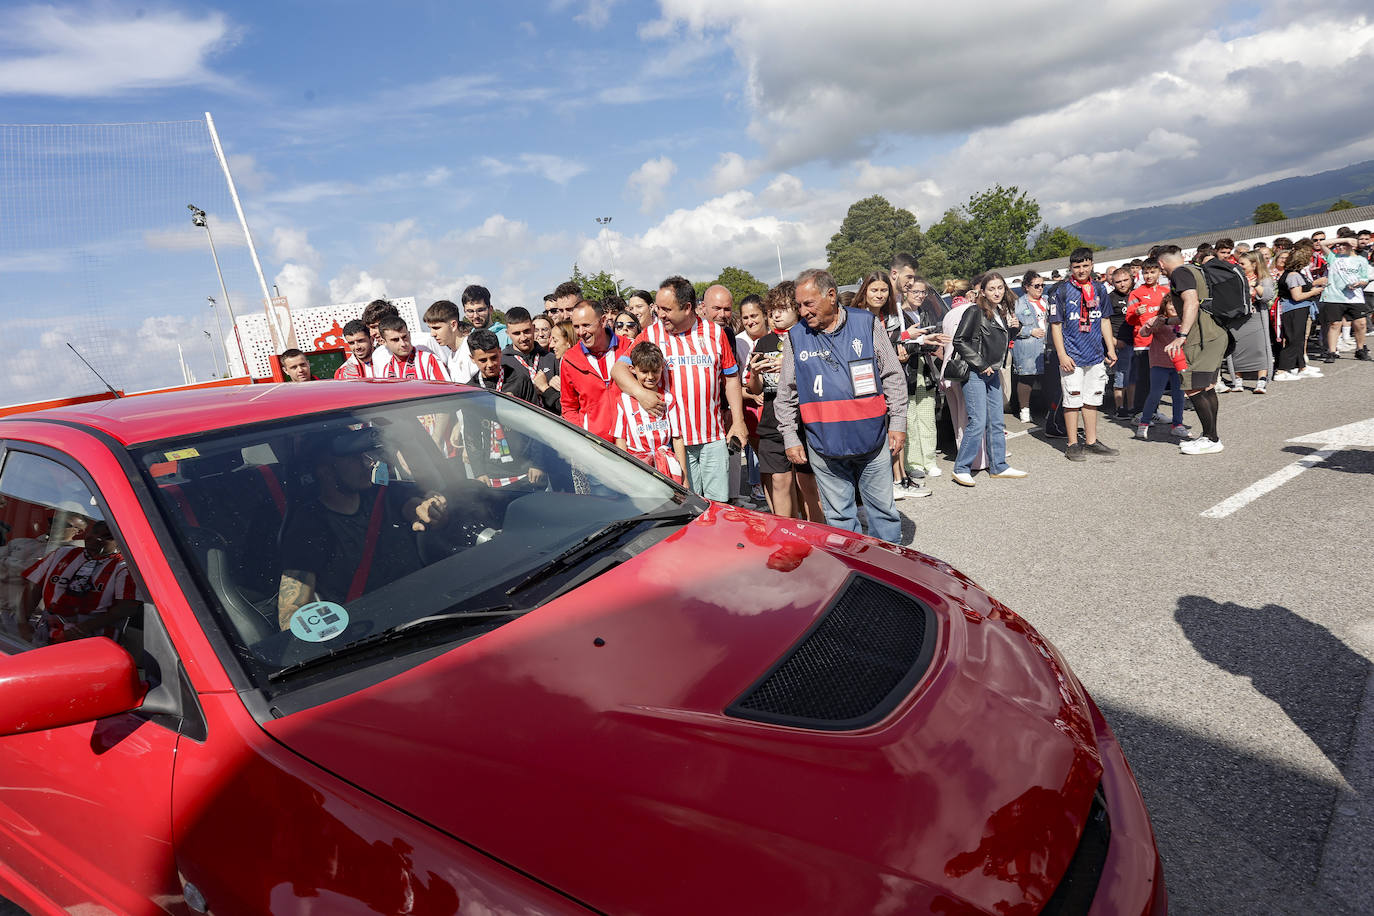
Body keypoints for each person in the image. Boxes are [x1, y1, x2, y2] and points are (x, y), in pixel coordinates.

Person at [774, 269, 906, 544]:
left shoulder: (866, 324)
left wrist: (898, 423)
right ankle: (857, 576)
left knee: (884, 514)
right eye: (798, 305)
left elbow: (893, 375)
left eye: (808, 303)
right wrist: (790, 437)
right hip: (825, 446)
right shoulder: (795, 337)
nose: (802, 311)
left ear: (831, 296)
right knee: (841, 520)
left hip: (872, 440)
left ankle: (892, 572)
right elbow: (786, 393)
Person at [277, 429, 452, 628]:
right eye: (352, 459)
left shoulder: (385, 494)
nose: (366, 463)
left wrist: (431, 511)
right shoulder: (310, 525)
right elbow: (292, 614)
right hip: (371, 635)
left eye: (364, 455)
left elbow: (416, 506)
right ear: (325, 471)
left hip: (431, 615)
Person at [612, 277, 747, 502]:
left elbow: (731, 378)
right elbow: (618, 370)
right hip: (675, 443)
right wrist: (642, 394)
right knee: (688, 507)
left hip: (712, 436)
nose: (660, 314)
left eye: (666, 309)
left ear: (687, 308)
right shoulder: (651, 334)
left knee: (718, 505)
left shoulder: (715, 333)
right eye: (658, 308)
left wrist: (739, 421)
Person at [748, 283, 825, 520]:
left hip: (804, 421)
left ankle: (819, 536)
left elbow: (821, 376)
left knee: (808, 484)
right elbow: (755, 390)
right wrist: (754, 373)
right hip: (772, 422)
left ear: (796, 308)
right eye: (772, 310)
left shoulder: (811, 337)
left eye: (782, 308)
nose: (776, 314)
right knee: (780, 482)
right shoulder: (763, 343)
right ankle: (787, 538)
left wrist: (790, 367)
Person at [949, 274, 1027, 487]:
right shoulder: (974, 310)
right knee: (978, 420)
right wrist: (980, 364)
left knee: (997, 421)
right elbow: (959, 341)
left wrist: (1015, 327)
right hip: (976, 372)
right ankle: (961, 468)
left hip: (992, 371)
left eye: (1000, 287)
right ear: (982, 291)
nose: (997, 292)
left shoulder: (1002, 311)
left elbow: (1000, 341)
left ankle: (999, 466)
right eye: (991, 288)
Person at [1047, 248, 1120, 461]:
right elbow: (1056, 325)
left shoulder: (1099, 289)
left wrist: (1111, 349)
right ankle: (1072, 444)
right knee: (1072, 400)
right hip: (1072, 356)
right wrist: (1061, 354)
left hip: (1096, 355)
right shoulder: (1060, 291)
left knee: (1093, 399)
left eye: (1085, 266)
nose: (1081, 270)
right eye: (1077, 266)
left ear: (1092, 266)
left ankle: (1091, 441)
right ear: (1071, 268)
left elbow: (1105, 320)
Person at [19, 520, 138, 644]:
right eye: (95, 532)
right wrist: (22, 623)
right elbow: (34, 587)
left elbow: (126, 608)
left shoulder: (123, 567)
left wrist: (82, 629)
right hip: (47, 629)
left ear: (120, 543)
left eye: (107, 537)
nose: (97, 538)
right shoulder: (61, 553)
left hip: (92, 638)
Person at [1158, 245, 1226, 455]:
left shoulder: (1179, 274)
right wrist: (1167, 320)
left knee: (1193, 387)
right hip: (1214, 333)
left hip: (1201, 338)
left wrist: (1182, 335)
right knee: (1207, 387)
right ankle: (1211, 436)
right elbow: (1195, 308)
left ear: (1161, 264)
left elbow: (1191, 303)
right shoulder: (1195, 270)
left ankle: (1211, 438)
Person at [893, 268, 946, 491]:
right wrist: (922, 341)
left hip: (926, 369)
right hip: (908, 371)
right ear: (906, 292)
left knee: (928, 417)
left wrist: (931, 342)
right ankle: (914, 463)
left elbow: (934, 340)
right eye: (915, 291)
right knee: (910, 420)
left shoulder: (925, 313)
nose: (920, 295)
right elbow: (899, 342)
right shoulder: (899, 316)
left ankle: (929, 459)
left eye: (923, 292)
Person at [561, 300, 635, 442]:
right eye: (576, 327)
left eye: (586, 325)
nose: (581, 332)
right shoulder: (569, 359)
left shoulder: (629, 347)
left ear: (602, 321)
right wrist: (583, 438)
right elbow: (569, 407)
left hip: (632, 443)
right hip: (596, 446)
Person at [613, 342, 687, 485]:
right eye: (644, 371)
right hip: (637, 466)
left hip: (666, 466)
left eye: (655, 371)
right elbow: (620, 439)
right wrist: (623, 470)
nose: (650, 376)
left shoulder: (669, 399)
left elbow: (677, 438)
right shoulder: (624, 401)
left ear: (662, 368)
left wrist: (684, 476)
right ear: (633, 369)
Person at [1272, 244, 1326, 380]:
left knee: (1299, 339)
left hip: (1297, 309)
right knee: (1293, 340)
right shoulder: (1293, 275)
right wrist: (1314, 291)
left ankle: (1301, 366)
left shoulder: (1294, 273)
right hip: (1293, 310)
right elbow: (1297, 296)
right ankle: (1281, 371)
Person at [1316, 234, 1373, 361]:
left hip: (1354, 297)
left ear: (1352, 246)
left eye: (1343, 245)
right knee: (1335, 324)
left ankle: (1360, 349)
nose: (1340, 247)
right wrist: (1344, 240)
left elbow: (1364, 278)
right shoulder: (1334, 258)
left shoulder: (1361, 260)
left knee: (1361, 323)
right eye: (1338, 245)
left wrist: (1360, 283)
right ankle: (1331, 351)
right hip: (1334, 297)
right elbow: (1322, 244)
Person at [502, 307, 560, 412]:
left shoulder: (551, 358)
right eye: (516, 333)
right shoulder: (503, 362)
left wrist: (548, 389)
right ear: (507, 333)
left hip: (552, 423)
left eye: (526, 331)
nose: (523, 337)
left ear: (533, 328)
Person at [1233, 252, 1276, 390]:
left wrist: (1256, 285)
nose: (1239, 266)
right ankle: (1237, 378)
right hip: (1238, 317)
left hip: (1256, 316)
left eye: (1242, 264)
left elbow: (1268, 296)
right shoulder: (1236, 277)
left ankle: (1261, 379)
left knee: (1259, 348)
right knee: (1237, 348)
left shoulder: (1264, 279)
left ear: (1254, 264)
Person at [1011, 270, 1048, 423]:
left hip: (1048, 344)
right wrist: (1030, 331)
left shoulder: (1047, 300)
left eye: (1042, 285)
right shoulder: (1018, 304)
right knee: (1027, 378)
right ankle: (1024, 410)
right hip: (1028, 346)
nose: (1040, 288)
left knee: (1049, 379)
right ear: (1026, 287)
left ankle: (1050, 409)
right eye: (1036, 285)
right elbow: (1012, 328)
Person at [1106, 268, 1140, 418]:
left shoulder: (1137, 294)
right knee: (1121, 376)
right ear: (1112, 282)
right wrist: (1112, 341)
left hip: (1138, 341)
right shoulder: (1109, 298)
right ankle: (1120, 408)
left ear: (1131, 279)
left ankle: (1132, 406)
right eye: (1118, 281)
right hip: (1121, 343)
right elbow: (1102, 322)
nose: (1122, 284)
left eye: (1125, 280)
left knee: (1134, 377)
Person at [377, 315, 449, 380]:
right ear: (384, 342)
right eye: (395, 340)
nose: (403, 343)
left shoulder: (428, 360)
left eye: (404, 337)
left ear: (409, 334)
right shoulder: (386, 370)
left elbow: (447, 391)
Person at [424, 300, 477, 384]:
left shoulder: (472, 348)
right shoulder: (450, 357)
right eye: (430, 328)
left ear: (453, 325)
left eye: (436, 328)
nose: (432, 334)